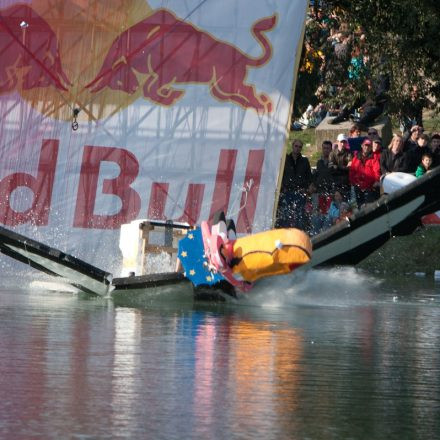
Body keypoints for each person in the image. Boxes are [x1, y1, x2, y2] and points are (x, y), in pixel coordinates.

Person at [276, 140, 312, 229]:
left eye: (300, 147)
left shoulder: (304, 161)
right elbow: (280, 175)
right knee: (285, 216)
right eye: (296, 146)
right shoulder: (285, 159)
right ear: (292, 146)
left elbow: (309, 176)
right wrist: (281, 188)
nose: (297, 148)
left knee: (300, 217)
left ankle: (299, 235)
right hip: (287, 192)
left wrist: (307, 189)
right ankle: (285, 236)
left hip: (300, 192)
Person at [349, 138, 380, 207]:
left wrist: (376, 180)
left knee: (368, 207)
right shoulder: (356, 157)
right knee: (359, 207)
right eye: (365, 145)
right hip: (358, 187)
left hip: (370, 188)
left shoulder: (374, 158)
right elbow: (352, 172)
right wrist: (354, 183)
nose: (367, 147)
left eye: (368, 146)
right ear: (362, 146)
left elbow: (376, 171)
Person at [329, 133, 352, 198]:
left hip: (346, 183)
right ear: (337, 142)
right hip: (336, 183)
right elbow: (331, 168)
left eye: (344, 142)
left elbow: (350, 168)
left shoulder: (349, 153)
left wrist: (337, 167)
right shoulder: (332, 153)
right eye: (341, 142)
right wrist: (344, 168)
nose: (343, 144)